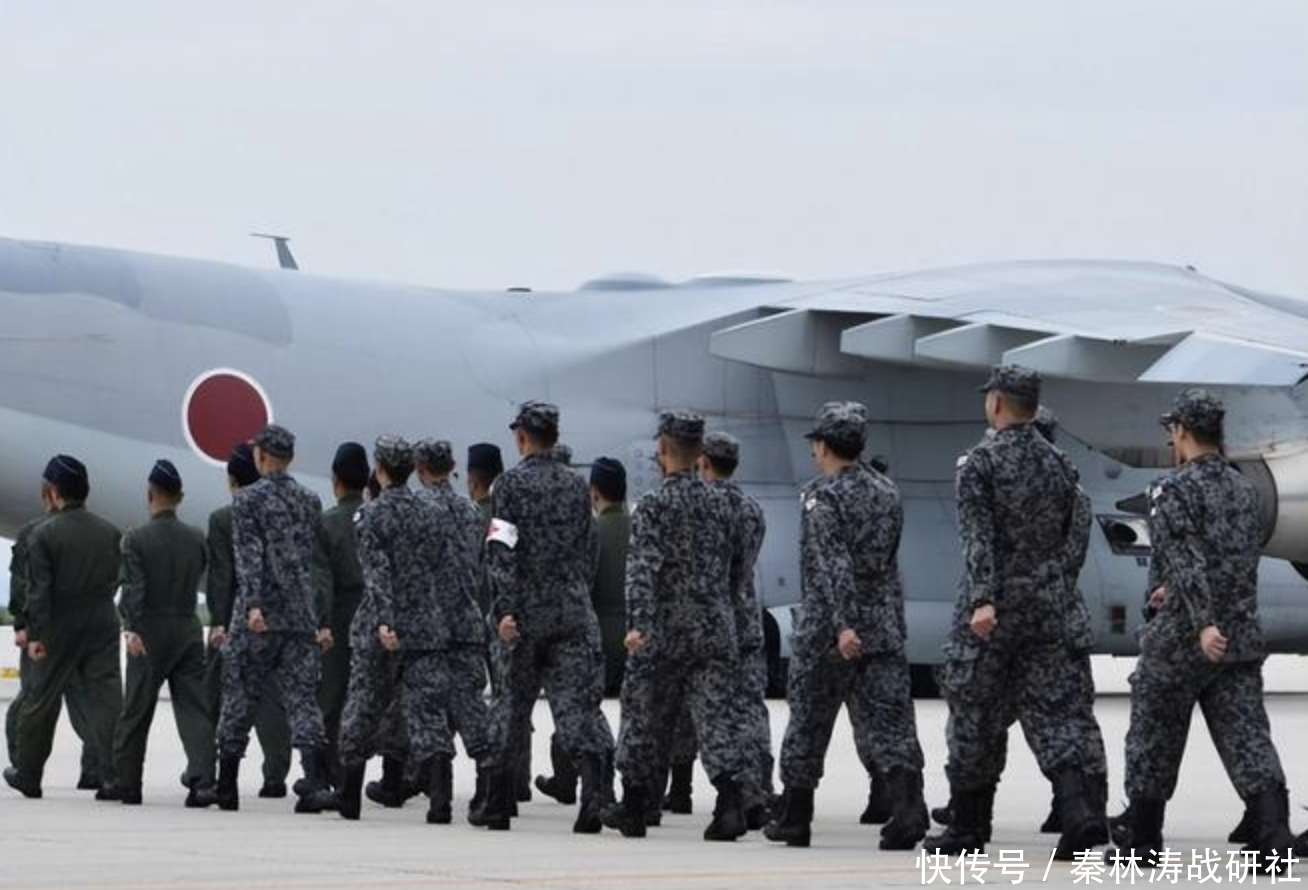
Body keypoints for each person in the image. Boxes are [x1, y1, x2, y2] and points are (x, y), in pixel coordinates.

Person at [925, 366, 1108, 859]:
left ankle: (968, 827)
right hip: (1048, 607)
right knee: (1054, 713)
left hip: (996, 611)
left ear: (999, 402)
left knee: (975, 713)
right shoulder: (1059, 463)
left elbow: (977, 537)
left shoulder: (980, 462)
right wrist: (1054, 588)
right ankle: (1080, 813)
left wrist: (982, 599)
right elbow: (1071, 539)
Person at [1110, 390, 1296, 870]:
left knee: (1153, 737)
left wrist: (1201, 623)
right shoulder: (1245, 490)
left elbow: (1188, 562)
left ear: (1183, 432)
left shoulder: (1171, 490)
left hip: (1184, 638)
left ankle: (1143, 840)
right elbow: (1233, 562)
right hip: (1240, 633)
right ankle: (1273, 836)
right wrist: (1199, 607)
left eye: (1172, 431)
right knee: (1248, 737)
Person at [765, 403, 928, 850]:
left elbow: (832, 564)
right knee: (893, 721)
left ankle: (795, 817)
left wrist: (843, 624)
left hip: (830, 631)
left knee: (808, 721)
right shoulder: (887, 492)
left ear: (823, 445)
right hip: (883, 624)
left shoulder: (822, 496)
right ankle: (909, 811)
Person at [335, 437, 498, 825]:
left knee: (364, 706)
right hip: (430, 623)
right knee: (429, 713)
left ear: (380, 469)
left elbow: (377, 573)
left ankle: (349, 795)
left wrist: (385, 620)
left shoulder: (372, 514)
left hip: (385, 624)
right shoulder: (436, 512)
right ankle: (440, 801)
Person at [603, 411, 749, 842]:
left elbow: (642, 570)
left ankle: (634, 807)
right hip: (714, 627)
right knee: (717, 716)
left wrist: (637, 624)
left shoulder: (654, 505)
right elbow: (739, 568)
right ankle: (730, 804)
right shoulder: (725, 504)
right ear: (700, 451)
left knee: (643, 716)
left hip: (664, 631)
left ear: (662, 450)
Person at [484, 401, 612, 833]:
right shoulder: (578, 485)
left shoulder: (509, 485)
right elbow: (589, 547)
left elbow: (501, 550)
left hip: (523, 615)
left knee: (511, 709)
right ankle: (592, 798)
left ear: (522, 436)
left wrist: (504, 609)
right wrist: (575, 592)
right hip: (570, 611)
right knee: (575, 708)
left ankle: (497, 805)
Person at [196, 424, 335, 813]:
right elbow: (312, 561)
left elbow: (249, 555)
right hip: (299, 615)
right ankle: (314, 783)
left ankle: (226, 785)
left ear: (261, 456)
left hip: (259, 617)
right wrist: (319, 617)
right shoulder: (309, 500)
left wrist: (254, 605)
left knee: (240, 696)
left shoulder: (248, 500)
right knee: (303, 700)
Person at [4, 456, 122, 800]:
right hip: (102, 619)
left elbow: (36, 590)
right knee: (106, 699)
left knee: (39, 700)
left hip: (59, 623)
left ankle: (28, 774)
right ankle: (113, 775)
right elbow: (118, 576)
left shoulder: (40, 533)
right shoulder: (110, 531)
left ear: (53, 492)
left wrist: (34, 633)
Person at [112, 460, 215, 806]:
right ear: (180, 497)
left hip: (149, 630)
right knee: (195, 708)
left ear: (149, 494)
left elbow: (134, 588)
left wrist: (131, 627)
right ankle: (203, 780)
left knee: (136, 710)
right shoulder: (196, 537)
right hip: (187, 626)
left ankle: (128, 783)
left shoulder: (135, 539)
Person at [411, 437, 497, 824]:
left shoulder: (416, 509)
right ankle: (487, 786)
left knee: (428, 707)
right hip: (466, 619)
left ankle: (439, 798)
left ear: (420, 469)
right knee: (470, 704)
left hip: (427, 624)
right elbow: (480, 565)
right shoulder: (471, 511)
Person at [536, 456, 630, 808]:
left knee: (576, 710)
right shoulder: (640, 528)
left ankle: (567, 780)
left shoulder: (591, 532)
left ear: (594, 493)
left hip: (597, 633)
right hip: (636, 634)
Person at [203, 443, 293, 799]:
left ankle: (212, 773)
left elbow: (221, 577)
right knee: (272, 697)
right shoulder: (283, 510)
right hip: (279, 617)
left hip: (239, 618)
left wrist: (219, 621)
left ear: (232, 480)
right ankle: (275, 774)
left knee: (224, 698)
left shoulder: (223, 518)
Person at [313, 442, 369, 789]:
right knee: (371, 698)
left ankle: (326, 773)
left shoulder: (327, 523)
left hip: (339, 614)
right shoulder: (378, 516)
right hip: (375, 612)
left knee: (331, 698)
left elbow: (320, 579)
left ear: (335, 480)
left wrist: (321, 621)